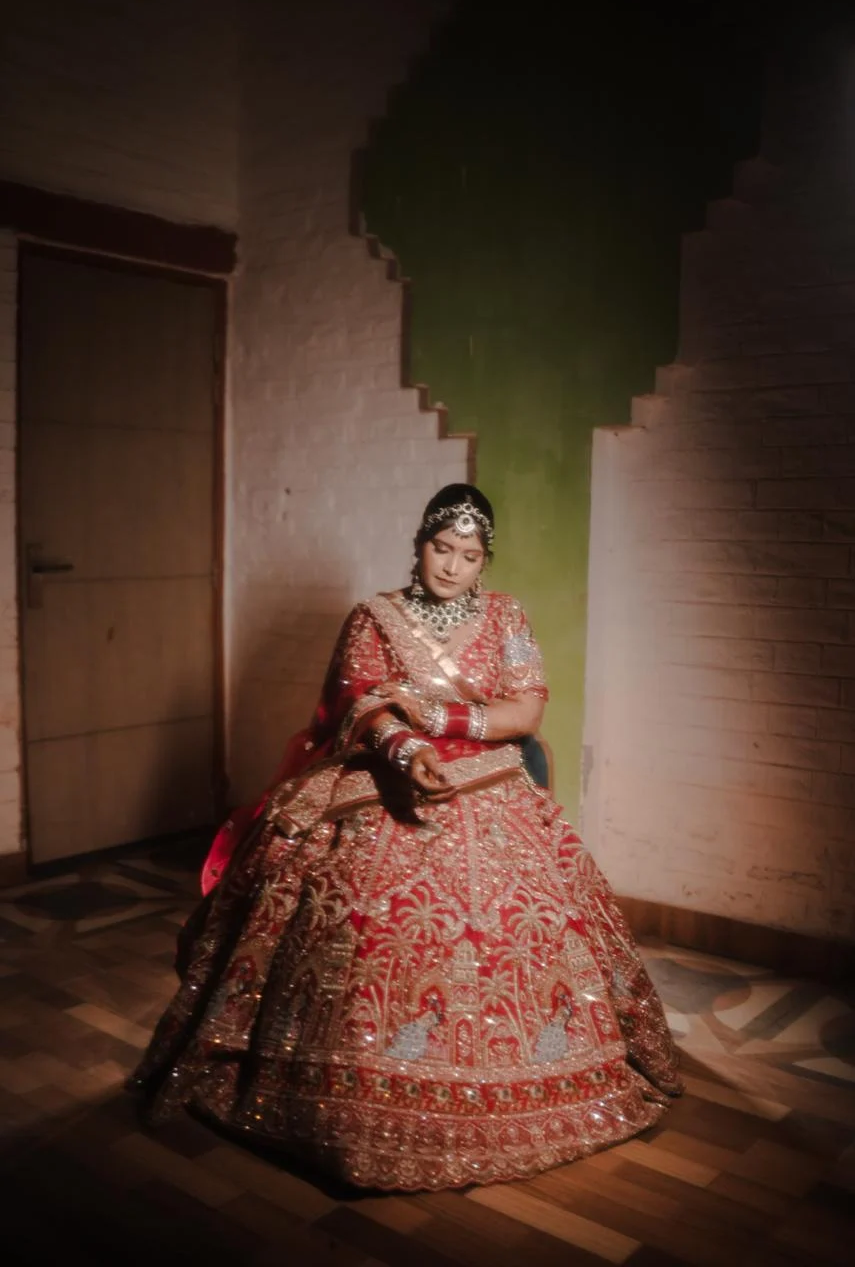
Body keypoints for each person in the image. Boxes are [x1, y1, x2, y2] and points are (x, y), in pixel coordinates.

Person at [129, 483, 681, 1191]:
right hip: (382, 769)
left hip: (486, 777)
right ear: (418, 544)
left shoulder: (505, 615)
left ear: (486, 561)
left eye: (469, 554)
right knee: (352, 894)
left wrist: (442, 726)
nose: (451, 566)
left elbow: (524, 709)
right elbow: (358, 701)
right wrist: (401, 750)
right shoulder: (373, 617)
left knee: (533, 907)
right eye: (439, 548)